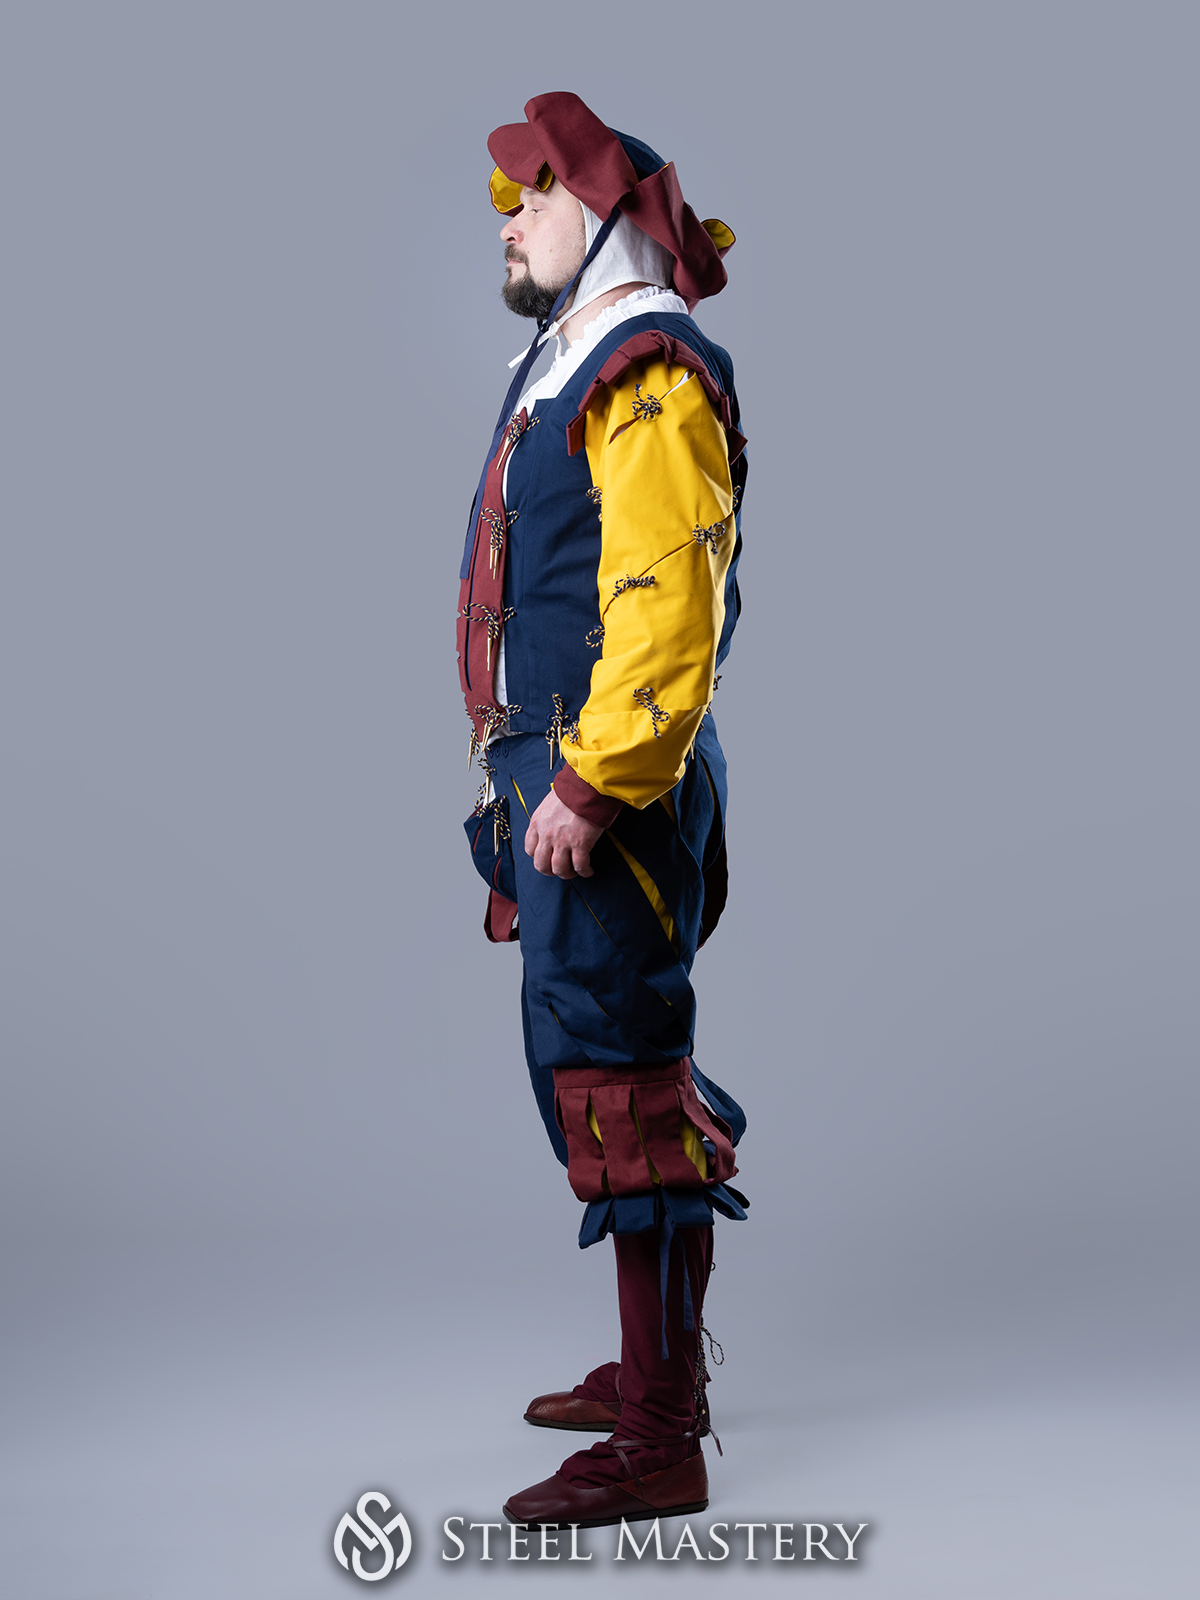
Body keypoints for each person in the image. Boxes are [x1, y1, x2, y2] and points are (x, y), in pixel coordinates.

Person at [456, 91, 749, 1528]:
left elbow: (670, 600)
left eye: (532, 197)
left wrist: (588, 781)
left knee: (621, 1090)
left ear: (603, 210)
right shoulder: (573, 354)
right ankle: (654, 1372)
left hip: (607, 788)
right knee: (600, 1077)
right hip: (563, 777)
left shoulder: (645, 368)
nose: (509, 223)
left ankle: (660, 1436)